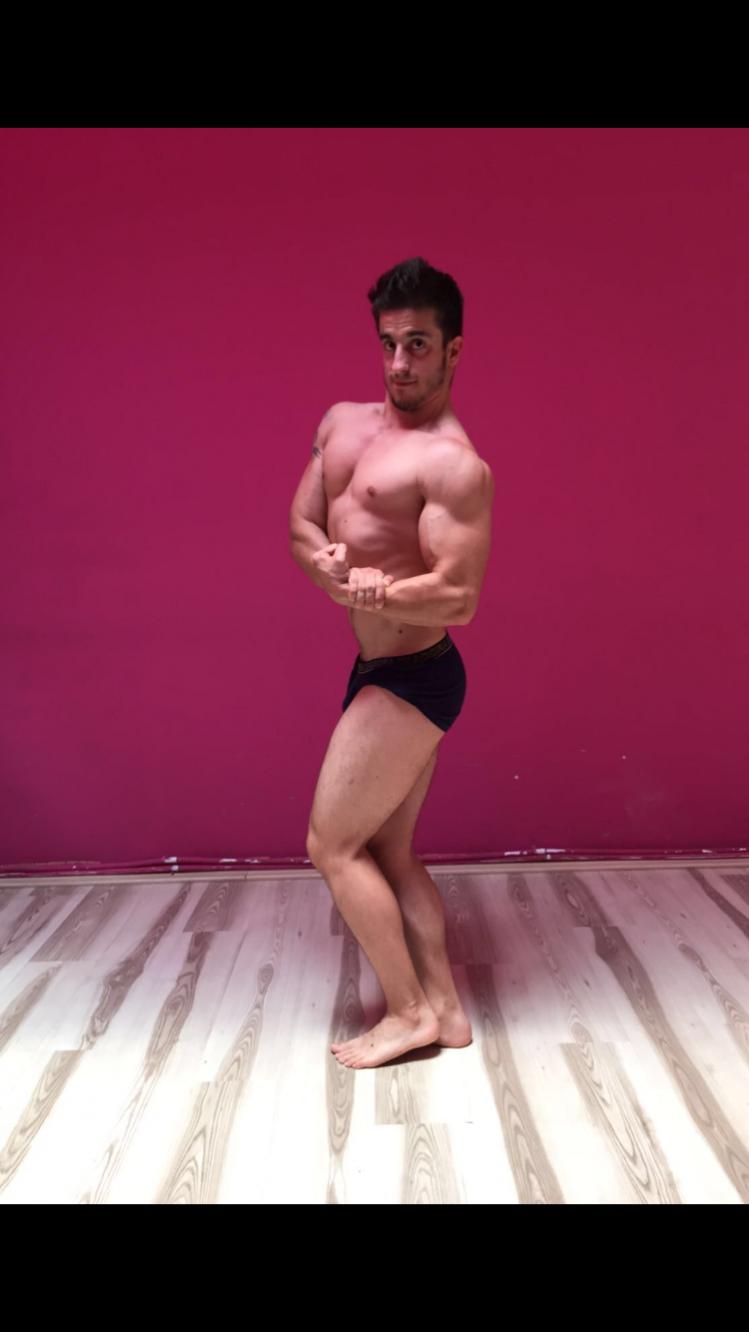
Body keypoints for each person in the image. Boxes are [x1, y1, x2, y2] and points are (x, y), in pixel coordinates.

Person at [288, 257, 494, 1068]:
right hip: (376, 667)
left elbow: (459, 596)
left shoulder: (452, 465)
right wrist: (328, 566)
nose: (400, 363)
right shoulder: (340, 424)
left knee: (331, 845)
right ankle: (445, 1011)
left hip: (417, 673)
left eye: (418, 345)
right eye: (388, 343)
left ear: (453, 350)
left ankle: (406, 1013)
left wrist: (382, 593)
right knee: (388, 851)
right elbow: (301, 526)